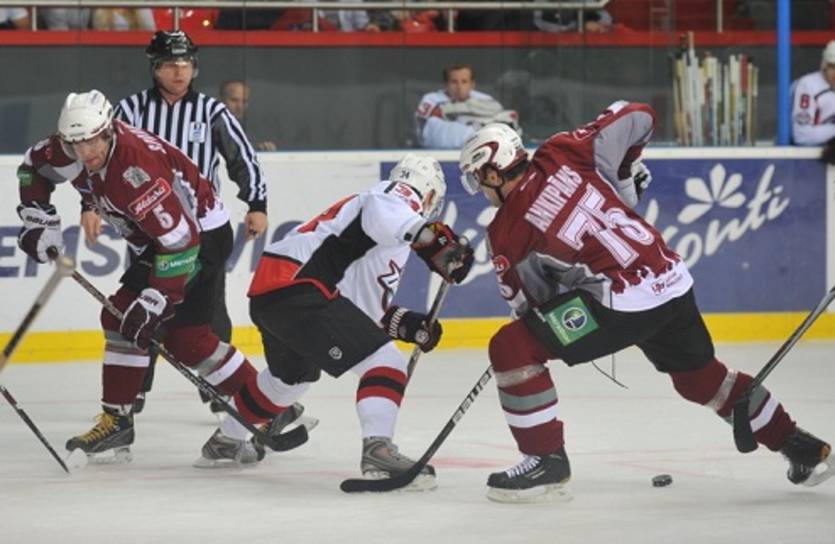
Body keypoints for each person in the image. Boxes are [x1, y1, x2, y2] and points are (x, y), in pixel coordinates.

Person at [458, 101, 833, 503]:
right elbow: (638, 115)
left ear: (493, 172)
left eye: (479, 180)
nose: (482, 190)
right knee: (702, 378)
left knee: (511, 347)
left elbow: (534, 307)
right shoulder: (561, 151)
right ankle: (800, 447)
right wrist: (621, 178)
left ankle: (544, 460)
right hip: (670, 280)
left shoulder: (506, 232)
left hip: (619, 304)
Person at [16, 90, 268, 465]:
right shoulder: (67, 149)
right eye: (76, 143)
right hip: (165, 239)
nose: (86, 152)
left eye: (93, 140)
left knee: (134, 319)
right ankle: (268, 403)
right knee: (181, 338)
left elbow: (181, 242)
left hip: (199, 237)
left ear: (109, 130)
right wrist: (39, 219)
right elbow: (32, 169)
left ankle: (119, 421)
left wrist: (155, 299)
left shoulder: (135, 170)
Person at [194, 155, 474, 485]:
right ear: (429, 194)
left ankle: (227, 441)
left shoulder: (381, 234)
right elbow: (388, 209)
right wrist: (436, 242)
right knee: (386, 363)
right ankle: (379, 451)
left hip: (275, 292)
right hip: (301, 286)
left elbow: (360, 311)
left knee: (291, 379)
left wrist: (406, 324)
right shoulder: (397, 196)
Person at [108, 30, 268, 413]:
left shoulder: (212, 112)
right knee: (145, 305)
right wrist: (88, 206)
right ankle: (135, 388)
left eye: (185, 64)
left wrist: (256, 202)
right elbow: (103, 158)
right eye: (170, 64)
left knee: (210, 310)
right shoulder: (130, 111)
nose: (179, 72)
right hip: (148, 232)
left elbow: (242, 157)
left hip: (202, 231)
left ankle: (218, 387)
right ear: (155, 67)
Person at [415, 63, 520, 149]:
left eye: (464, 81)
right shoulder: (432, 100)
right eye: (454, 82)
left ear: (472, 84)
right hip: (440, 155)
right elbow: (431, 135)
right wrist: (481, 126)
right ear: (446, 84)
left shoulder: (486, 100)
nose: (459, 87)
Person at [791, 41, 835, 146]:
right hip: (805, 153)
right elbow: (801, 135)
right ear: (824, 67)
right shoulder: (807, 85)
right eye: (833, 67)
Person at [219, 80, 279, 151]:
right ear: (221, 100)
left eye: (244, 101)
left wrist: (266, 147)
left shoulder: (257, 129)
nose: (240, 106)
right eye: (234, 100)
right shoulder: (210, 126)